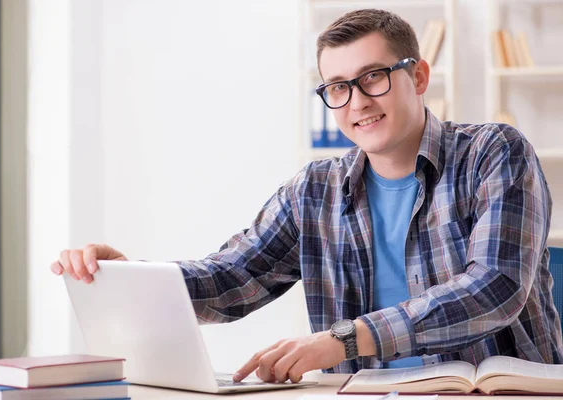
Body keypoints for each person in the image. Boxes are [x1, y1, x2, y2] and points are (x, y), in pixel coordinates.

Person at [51, 8, 563, 384]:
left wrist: (342, 340)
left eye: (374, 78)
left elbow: (494, 288)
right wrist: (135, 277)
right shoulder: (314, 190)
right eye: (337, 87)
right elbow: (233, 279)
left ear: (419, 76)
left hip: (495, 394)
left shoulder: (495, 152)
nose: (357, 102)